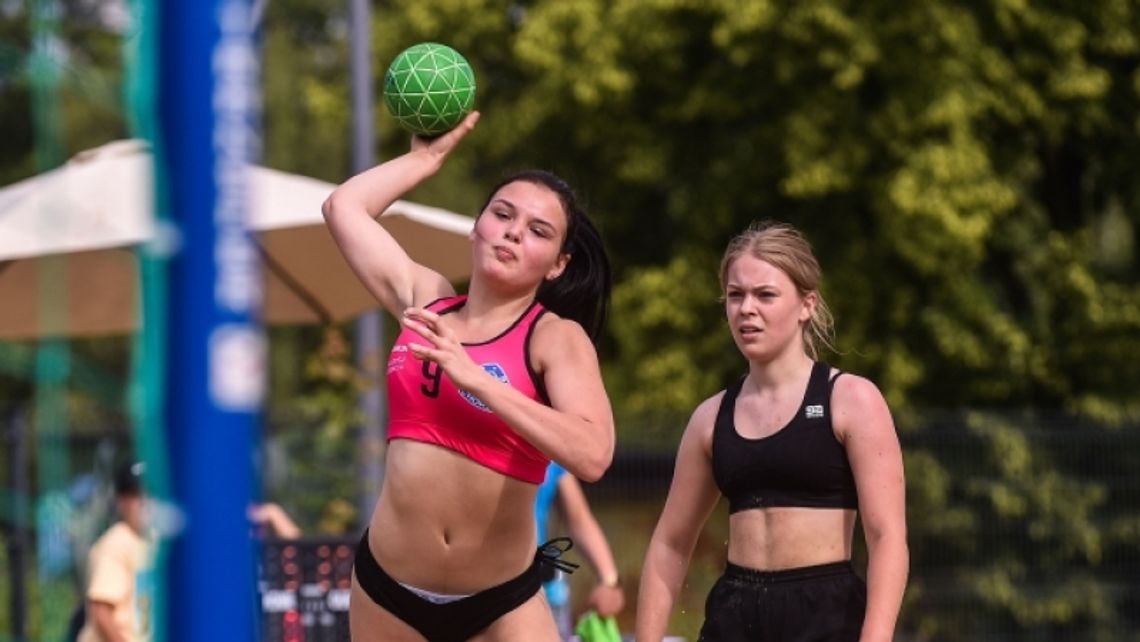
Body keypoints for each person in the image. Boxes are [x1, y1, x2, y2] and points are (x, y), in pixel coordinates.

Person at [321, 110, 616, 642]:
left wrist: (478, 379)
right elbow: (343, 207)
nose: (513, 232)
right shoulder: (426, 300)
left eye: (538, 231)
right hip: (388, 590)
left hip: (500, 602)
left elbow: (594, 455)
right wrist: (425, 159)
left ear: (557, 263)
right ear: (476, 226)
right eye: (502, 215)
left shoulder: (553, 337)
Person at [635, 222, 908, 642]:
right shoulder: (710, 418)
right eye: (735, 295)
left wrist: (876, 636)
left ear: (806, 305)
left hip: (826, 618)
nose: (746, 308)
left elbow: (887, 536)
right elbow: (670, 543)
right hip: (734, 618)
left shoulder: (852, 399)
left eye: (765, 295)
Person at [534, 463, 625, 640]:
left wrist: (609, 580)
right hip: (490, 592)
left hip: (546, 591)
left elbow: (579, 518)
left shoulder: (552, 456)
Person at [77, 461, 154, 642]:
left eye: (150, 492)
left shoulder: (155, 542)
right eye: (134, 494)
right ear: (120, 501)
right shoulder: (115, 544)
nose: (143, 501)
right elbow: (101, 612)